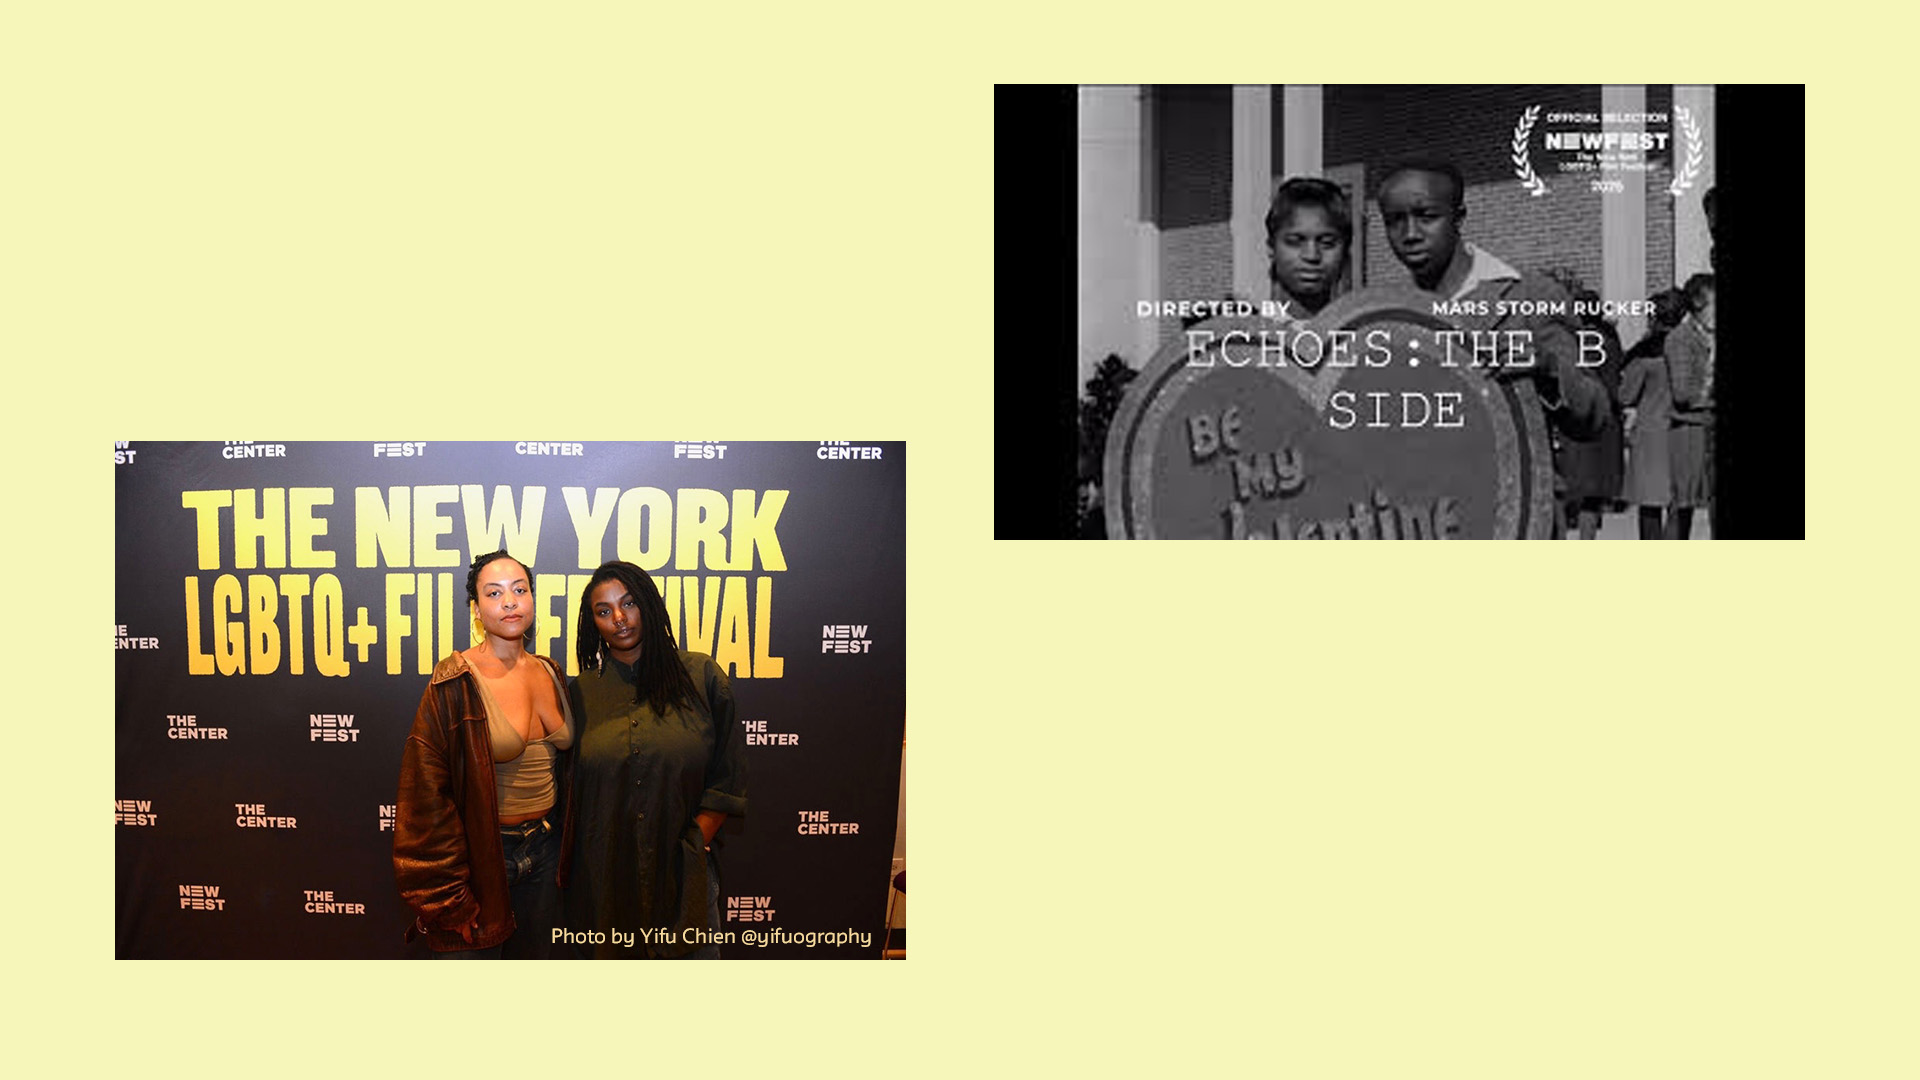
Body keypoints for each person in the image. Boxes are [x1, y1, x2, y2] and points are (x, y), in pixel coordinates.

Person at [394, 550, 575, 958]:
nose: (509, 601)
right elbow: (425, 795)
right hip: (482, 862)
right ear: (476, 610)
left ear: (532, 599)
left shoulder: (550, 670)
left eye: (519, 590)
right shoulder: (454, 680)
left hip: (547, 853)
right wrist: (447, 895)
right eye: (494, 593)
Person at [565, 561, 747, 959]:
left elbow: (727, 776)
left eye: (629, 603)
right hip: (606, 884)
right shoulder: (580, 694)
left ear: (648, 603)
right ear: (593, 624)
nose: (619, 617)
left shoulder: (701, 676)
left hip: (685, 881)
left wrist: (694, 844)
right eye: (604, 610)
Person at [1375, 160, 1609, 445]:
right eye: (1394, 221)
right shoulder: (1385, 314)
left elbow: (1596, 416)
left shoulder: (1532, 295)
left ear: (1458, 217)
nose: (1410, 234)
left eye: (1427, 216)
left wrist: (1549, 369)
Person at [1618, 289, 1687, 538]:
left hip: (1651, 433)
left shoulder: (1645, 354)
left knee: (1649, 505)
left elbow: (1625, 396)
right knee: (1679, 502)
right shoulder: (1690, 347)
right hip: (1683, 430)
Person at [1665, 273, 1716, 538]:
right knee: (1683, 505)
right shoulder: (1680, 339)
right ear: (1698, 304)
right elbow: (1682, 393)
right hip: (1689, 431)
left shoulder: (1709, 337)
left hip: (1709, 428)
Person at [1266, 177, 1353, 317]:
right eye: (1295, 241)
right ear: (1271, 248)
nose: (1312, 256)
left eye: (1327, 243)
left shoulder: (1364, 326)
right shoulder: (1243, 327)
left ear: (1345, 251)